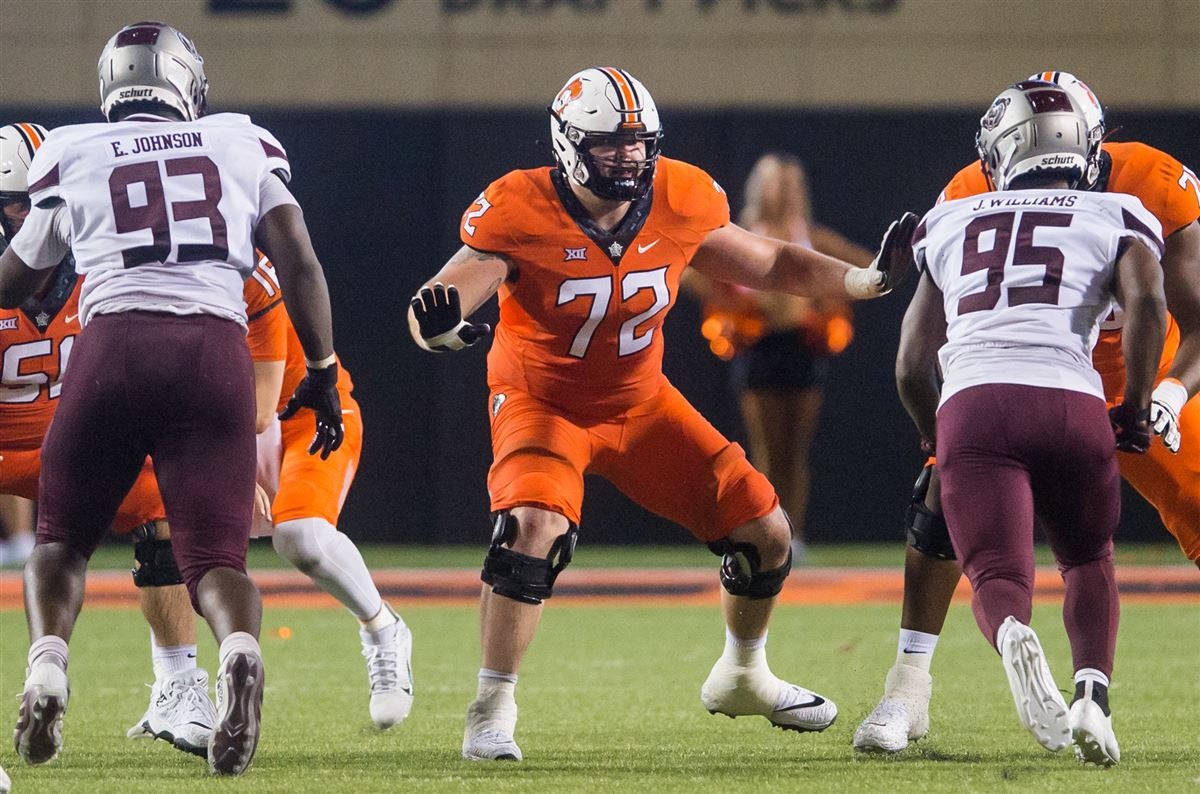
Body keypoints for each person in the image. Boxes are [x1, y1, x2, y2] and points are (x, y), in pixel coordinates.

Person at [407, 66, 915, 761]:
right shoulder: (518, 204)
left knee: (766, 530)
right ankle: (491, 709)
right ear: (568, 144)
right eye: (611, 145)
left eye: (640, 143)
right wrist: (435, 322)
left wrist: (859, 279)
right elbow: (444, 296)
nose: (630, 157)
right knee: (532, 529)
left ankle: (743, 674)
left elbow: (768, 263)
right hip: (543, 401)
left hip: (640, 402)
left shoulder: (680, 192)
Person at [0, 21, 344, 776]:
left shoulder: (71, 151)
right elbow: (300, 262)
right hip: (212, 352)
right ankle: (241, 657)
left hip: (114, 346)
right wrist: (320, 369)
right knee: (218, 558)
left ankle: (49, 667)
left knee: (60, 540)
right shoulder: (239, 141)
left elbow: (18, 280)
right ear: (188, 84)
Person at [854, 71, 1200, 754]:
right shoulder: (978, 193)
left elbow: (1190, 318)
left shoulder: (1148, 182)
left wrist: (1170, 392)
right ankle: (907, 689)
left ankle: (965, 657)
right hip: (1053, 368)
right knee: (945, 510)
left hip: (1121, 366)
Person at [0, 121, 216, 757]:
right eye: (21, 204)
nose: (41, 218)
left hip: (76, 442)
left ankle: (177, 685)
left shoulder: (109, 260)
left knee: (161, 506)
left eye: (51, 201)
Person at [244, 254, 414, 729]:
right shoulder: (151, 273)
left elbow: (260, 405)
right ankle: (176, 683)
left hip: (304, 414)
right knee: (165, 536)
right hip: (225, 424)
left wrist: (231, 463)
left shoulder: (245, 271)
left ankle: (383, 628)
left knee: (301, 536)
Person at [685, 153, 874, 562]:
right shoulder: (745, 234)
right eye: (774, 181)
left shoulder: (813, 236)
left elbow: (864, 266)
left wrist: (826, 302)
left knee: (796, 451)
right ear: (759, 186)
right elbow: (689, 271)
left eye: (789, 182)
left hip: (803, 347)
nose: (782, 190)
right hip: (760, 349)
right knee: (767, 450)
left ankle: (796, 535)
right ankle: (768, 531)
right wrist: (731, 307)